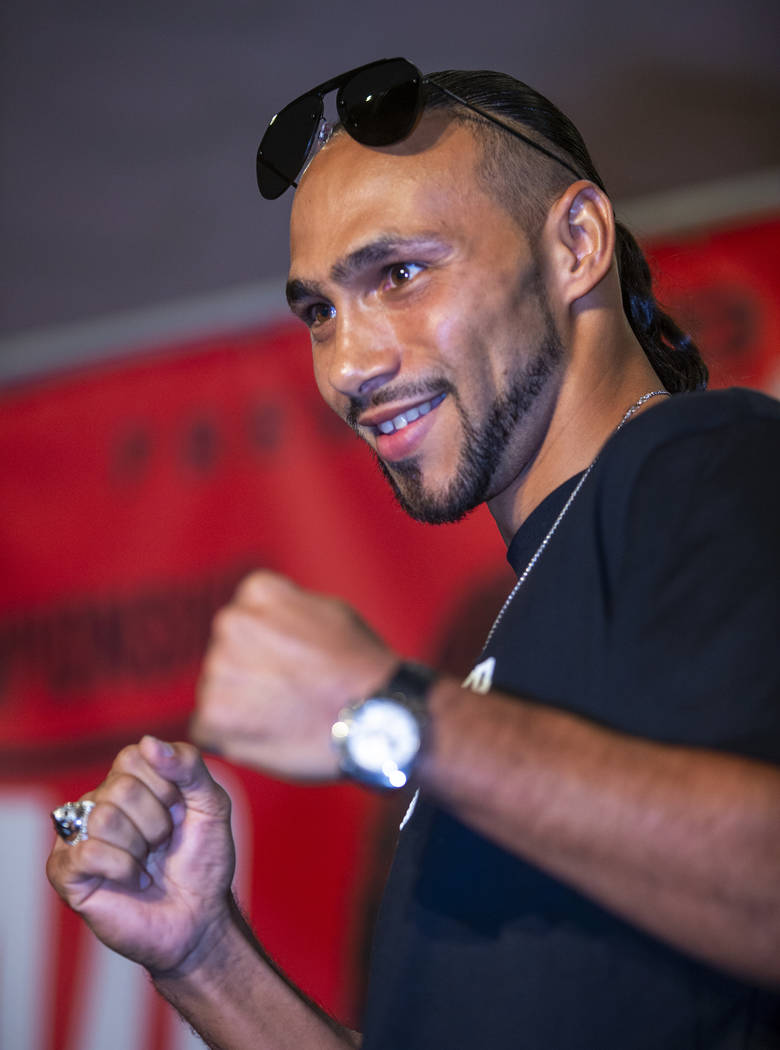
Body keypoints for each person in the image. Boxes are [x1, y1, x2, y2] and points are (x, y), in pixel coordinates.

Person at [47, 60, 780, 1048]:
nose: (349, 365)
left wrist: (394, 719)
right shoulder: (500, 651)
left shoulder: (706, 462)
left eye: (399, 274)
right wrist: (199, 957)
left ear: (576, 244)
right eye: (320, 313)